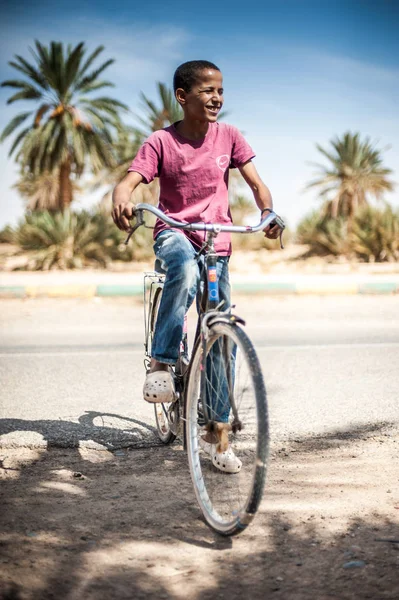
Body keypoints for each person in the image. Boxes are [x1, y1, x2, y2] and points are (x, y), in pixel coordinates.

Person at [112, 60, 283, 472]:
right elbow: (132, 179)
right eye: (208, 91)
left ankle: (217, 434)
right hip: (174, 232)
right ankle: (162, 361)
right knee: (183, 271)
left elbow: (257, 184)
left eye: (220, 90)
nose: (217, 98)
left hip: (216, 239)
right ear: (182, 96)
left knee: (221, 333)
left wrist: (269, 213)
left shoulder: (230, 136)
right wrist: (121, 195)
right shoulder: (161, 141)